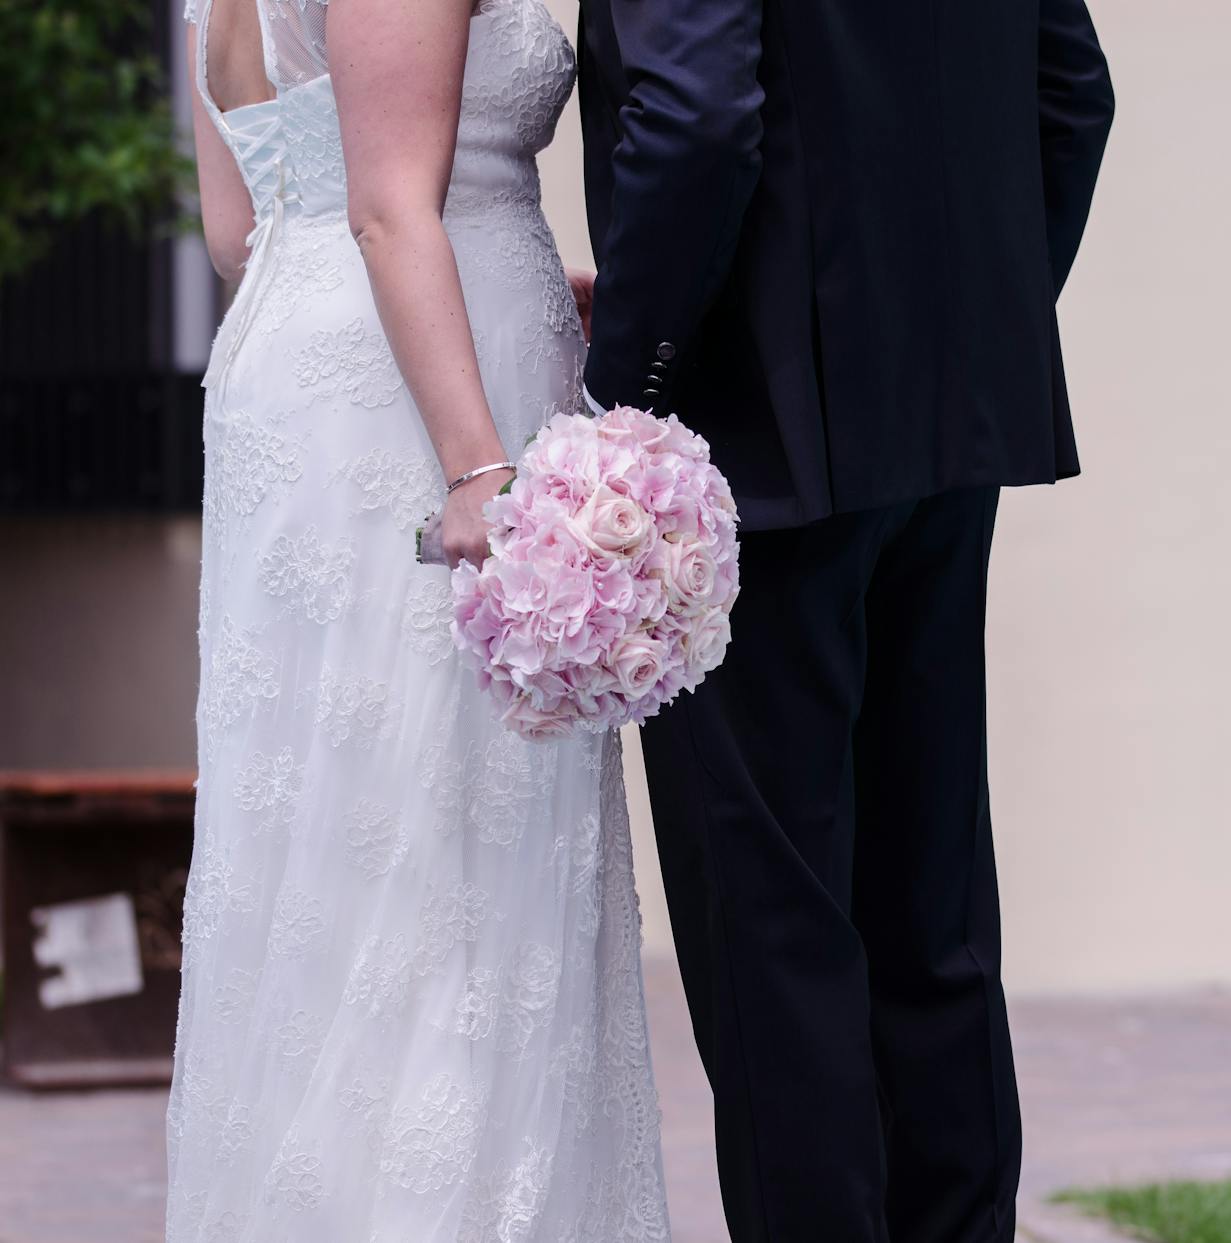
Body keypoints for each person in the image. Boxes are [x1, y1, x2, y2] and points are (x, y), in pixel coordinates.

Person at [578, 0, 1115, 1238]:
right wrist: (971, 324)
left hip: (749, 448)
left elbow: (697, 114)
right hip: (948, 420)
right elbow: (1070, 91)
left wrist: (622, 400)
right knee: (929, 901)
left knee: (773, 926)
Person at [166, 0, 669, 1238]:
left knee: (338, 839)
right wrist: (478, 467)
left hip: (307, 378)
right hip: (419, 416)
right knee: (442, 845)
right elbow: (393, 207)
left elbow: (244, 230)